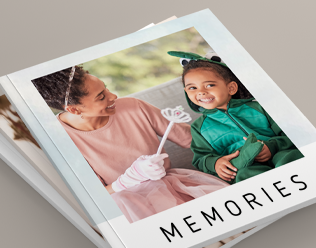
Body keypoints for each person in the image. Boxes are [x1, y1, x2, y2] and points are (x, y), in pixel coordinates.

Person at [32, 65, 229, 223]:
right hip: (125, 204)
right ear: (74, 110)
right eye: (101, 97)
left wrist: (234, 136)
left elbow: (192, 140)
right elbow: (94, 197)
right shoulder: (59, 141)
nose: (113, 97)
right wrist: (127, 180)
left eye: (105, 89)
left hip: (171, 185)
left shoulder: (134, 107)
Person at [168, 51, 303, 184]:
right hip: (242, 166)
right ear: (186, 92)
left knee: (290, 157)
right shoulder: (198, 128)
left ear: (231, 88)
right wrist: (215, 163)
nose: (201, 92)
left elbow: (292, 133)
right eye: (192, 88)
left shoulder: (259, 108)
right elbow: (200, 158)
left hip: (278, 152)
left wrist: (272, 146)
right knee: (245, 175)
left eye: (210, 85)